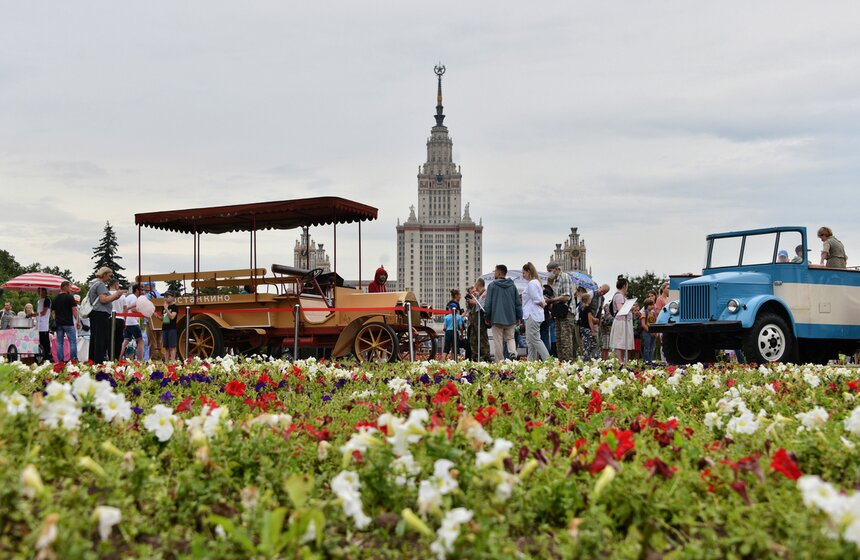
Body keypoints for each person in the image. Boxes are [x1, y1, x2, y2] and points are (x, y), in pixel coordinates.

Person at [483, 264, 522, 363]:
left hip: (496, 318)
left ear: (499, 272)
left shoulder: (492, 286)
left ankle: (500, 362)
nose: (494, 273)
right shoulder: (512, 286)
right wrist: (518, 317)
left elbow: (488, 304)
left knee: (498, 341)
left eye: (495, 271)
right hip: (510, 318)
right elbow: (517, 303)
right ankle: (513, 352)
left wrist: (486, 316)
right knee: (510, 338)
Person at [87, 267, 126, 364]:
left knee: (95, 339)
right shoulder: (100, 285)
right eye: (109, 275)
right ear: (104, 274)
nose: (110, 278)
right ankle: (98, 361)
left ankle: (93, 361)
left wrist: (116, 295)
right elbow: (103, 299)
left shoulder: (94, 284)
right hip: (100, 314)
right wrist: (117, 294)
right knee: (101, 339)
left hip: (95, 314)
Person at [545, 262, 576, 361]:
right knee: (559, 340)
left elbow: (566, 297)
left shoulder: (564, 277)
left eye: (550, 271)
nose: (549, 273)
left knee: (565, 340)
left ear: (556, 269)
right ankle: (561, 362)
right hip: (559, 313)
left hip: (567, 313)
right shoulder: (555, 281)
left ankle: (568, 362)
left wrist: (551, 300)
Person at [521, 262, 549, 361]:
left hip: (532, 314)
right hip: (533, 314)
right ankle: (531, 361)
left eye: (524, 272)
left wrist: (542, 303)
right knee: (530, 340)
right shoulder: (536, 282)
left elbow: (535, 298)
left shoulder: (532, 283)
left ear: (528, 272)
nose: (523, 275)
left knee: (534, 339)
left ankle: (547, 359)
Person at [609, 276, 636, 364]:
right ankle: (620, 360)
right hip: (621, 321)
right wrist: (631, 307)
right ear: (624, 286)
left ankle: (622, 360)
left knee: (623, 342)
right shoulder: (619, 296)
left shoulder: (621, 296)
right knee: (620, 341)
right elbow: (621, 309)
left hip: (624, 321)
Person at [53, 281, 80, 362]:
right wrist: (78, 321)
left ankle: (60, 361)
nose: (70, 289)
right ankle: (73, 360)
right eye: (69, 287)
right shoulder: (69, 297)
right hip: (68, 323)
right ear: (65, 287)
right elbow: (74, 310)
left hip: (58, 323)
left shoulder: (55, 298)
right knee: (72, 342)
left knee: (59, 343)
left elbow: (53, 312)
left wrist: (56, 320)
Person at [466, 278, 490, 361]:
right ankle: (475, 358)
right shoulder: (478, 295)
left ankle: (486, 358)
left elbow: (483, 305)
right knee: (473, 341)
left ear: (478, 285)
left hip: (480, 322)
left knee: (483, 341)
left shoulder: (484, 293)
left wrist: (474, 302)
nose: (474, 287)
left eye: (475, 284)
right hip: (474, 322)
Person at [120, 283, 145, 360]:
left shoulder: (129, 297)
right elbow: (133, 309)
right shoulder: (134, 298)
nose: (143, 291)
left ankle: (119, 357)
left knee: (125, 341)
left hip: (127, 322)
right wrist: (142, 310)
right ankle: (141, 359)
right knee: (140, 341)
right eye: (142, 289)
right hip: (133, 322)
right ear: (137, 290)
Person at [109, 280, 127, 360]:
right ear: (116, 285)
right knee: (119, 340)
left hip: (110, 318)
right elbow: (125, 308)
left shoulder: (107, 294)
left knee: (110, 339)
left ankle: (110, 356)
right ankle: (117, 357)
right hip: (120, 318)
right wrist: (125, 320)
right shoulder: (122, 296)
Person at [443, 294, 465, 359]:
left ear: (450, 309)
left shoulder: (446, 317)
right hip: (455, 332)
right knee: (455, 347)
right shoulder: (458, 317)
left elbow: (444, 327)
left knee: (446, 347)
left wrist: (446, 330)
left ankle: (442, 360)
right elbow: (460, 327)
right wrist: (461, 335)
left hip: (448, 332)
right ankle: (453, 360)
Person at [578, 292, 599, 361]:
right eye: (590, 299)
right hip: (587, 328)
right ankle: (587, 357)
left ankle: (586, 357)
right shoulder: (588, 308)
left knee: (585, 343)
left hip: (582, 328)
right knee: (593, 343)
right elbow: (590, 321)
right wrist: (593, 331)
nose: (591, 300)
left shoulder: (581, 308)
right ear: (587, 300)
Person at [161, 290, 179, 361]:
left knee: (172, 347)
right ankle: (166, 363)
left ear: (173, 297)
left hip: (172, 328)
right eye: (164, 297)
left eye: (167, 296)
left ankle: (173, 362)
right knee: (166, 347)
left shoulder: (174, 307)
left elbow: (172, 317)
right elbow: (163, 318)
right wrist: (156, 316)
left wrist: (166, 308)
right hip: (165, 328)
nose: (165, 298)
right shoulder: (164, 307)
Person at [36, 287, 52, 362]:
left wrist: (34, 314)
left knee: (45, 341)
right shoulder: (39, 301)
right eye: (38, 291)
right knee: (40, 340)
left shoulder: (47, 300)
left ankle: (47, 355)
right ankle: (42, 355)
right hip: (39, 323)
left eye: (41, 291)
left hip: (44, 324)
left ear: (45, 292)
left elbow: (44, 312)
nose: (39, 293)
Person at [639, 297, 657, 361]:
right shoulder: (644, 313)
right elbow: (643, 324)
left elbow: (655, 322)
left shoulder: (654, 313)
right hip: (647, 332)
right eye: (650, 305)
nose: (652, 306)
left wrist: (655, 332)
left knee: (652, 348)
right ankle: (646, 361)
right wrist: (650, 331)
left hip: (653, 332)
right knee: (647, 348)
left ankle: (650, 360)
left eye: (653, 305)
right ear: (646, 306)